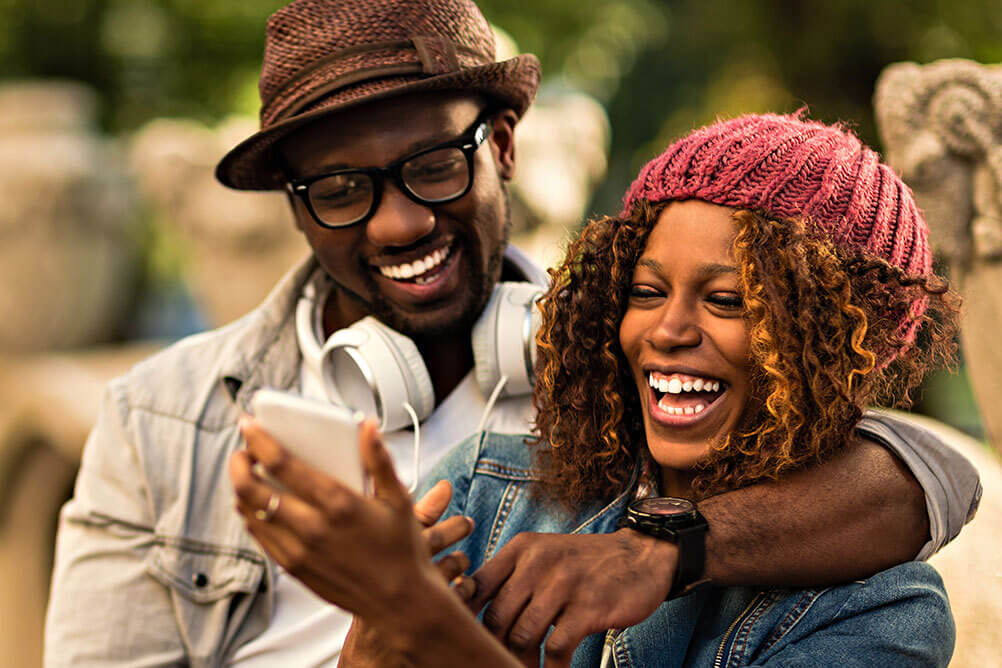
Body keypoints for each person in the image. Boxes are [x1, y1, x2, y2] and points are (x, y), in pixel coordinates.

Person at [45, 0, 977, 664]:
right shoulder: (162, 420)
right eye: (339, 188)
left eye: (433, 166)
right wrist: (381, 630)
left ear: (504, 147)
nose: (397, 224)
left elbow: (933, 472)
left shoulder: (875, 601)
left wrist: (664, 548)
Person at [235, 113, 964, 667]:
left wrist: (430, 626)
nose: (667, 331)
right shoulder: (487, 485)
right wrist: (370, 643)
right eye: (646, 291)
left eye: (729, 300)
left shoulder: (885, 614)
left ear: (839, 342)